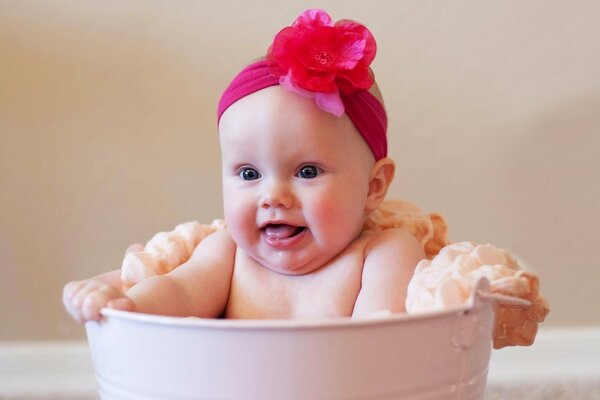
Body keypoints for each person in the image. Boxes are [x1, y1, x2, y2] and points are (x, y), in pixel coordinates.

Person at [63, 9, 430, 323]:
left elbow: (380, 341)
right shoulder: (228, 253)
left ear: (374, 185)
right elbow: (179, 292)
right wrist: (129, 304)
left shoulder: (383, 253)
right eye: (249, 174)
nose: (273, 196)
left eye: (307, 172)